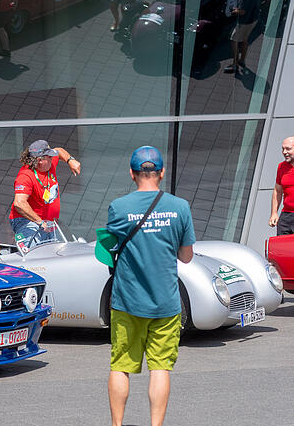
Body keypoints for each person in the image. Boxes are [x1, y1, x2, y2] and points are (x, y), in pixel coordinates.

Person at [106, 146, 195, 426]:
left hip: (127, 300)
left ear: (132, 173)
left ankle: (117, 425)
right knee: (160, 368)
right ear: (162, 173)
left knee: (120, 365)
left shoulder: (119, 207)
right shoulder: (180, 207)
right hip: (165, 302)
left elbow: (109, 249)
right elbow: (186, 256)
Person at [8, 140, 81, 253]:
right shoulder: (25, 176)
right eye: (49, 157)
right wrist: (40, 222)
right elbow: (19, 203)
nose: (53, 159)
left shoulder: (49, 164)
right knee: (35, 252)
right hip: (27, 221)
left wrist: (70, 160)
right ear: (39, 160)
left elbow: (59, 151)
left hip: (48, 222)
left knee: (57, 251)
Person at [224, 0, 261, 74]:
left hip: (245, 22)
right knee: (244, 40)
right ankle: (242, 60)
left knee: (233, 40)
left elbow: (242, 11)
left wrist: (233, 10)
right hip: (253, 20)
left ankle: (235, 64)